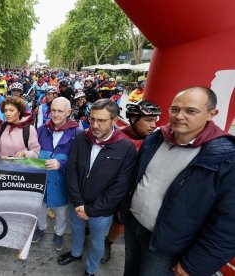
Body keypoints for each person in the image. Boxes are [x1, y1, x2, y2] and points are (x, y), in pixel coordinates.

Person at [123, 86, 235, 276]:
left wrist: (195, 264)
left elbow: (228, 225)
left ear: (211, 114)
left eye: (190, 111)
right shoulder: (156, 138)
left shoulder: (226, 159)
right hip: (134, 227)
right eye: (175, 109)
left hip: (167, 247)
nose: (179, 116)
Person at [57, 99, 137, 276]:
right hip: (77, 203)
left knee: (96, 241)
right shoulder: (81, 138)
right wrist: (78, 203)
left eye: (101, 120)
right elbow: (71, 170)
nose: (95, 125)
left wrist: (91, 210)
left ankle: (90, 270)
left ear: (115, 121)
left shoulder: (126, 147)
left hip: (102, 210)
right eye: (92, 119)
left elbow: (120, 186)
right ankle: (76, 254)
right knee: (76, 231)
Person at [101, 100, 162, 263]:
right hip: (108, 187)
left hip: (133, 193)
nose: (153, 125)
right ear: (134, 119)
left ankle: (108, 243)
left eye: (155, 120)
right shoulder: (115, 134)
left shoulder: (156, 141)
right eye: (149, 120)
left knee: (120, 221)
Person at [33, 97, 79, 251]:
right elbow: (34, 152)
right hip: (41, 180)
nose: (56, 114)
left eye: (60, 111)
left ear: (68, 112)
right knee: (40, 207)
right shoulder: (41, 130)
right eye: (53, 110)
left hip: (62, 182)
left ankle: (59, 233)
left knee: (61, 212)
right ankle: (41, 227)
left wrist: (61, 164)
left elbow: (79, 161)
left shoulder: (77, 133)